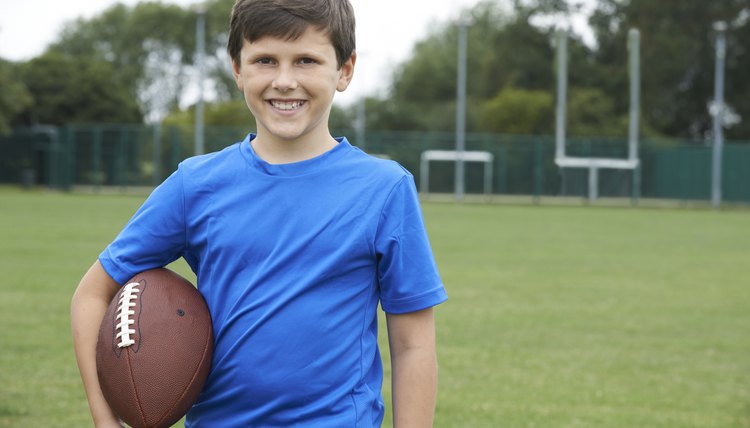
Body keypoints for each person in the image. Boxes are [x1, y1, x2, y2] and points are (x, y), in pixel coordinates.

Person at [70, 0, 447, 426]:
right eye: (265, 60)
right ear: (237, 69)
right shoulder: (197, 184)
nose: (284, 81)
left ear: (345, 70)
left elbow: (414, 344)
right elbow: (92, 293)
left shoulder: (384, 189)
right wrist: (107, 421)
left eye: (306, 60)